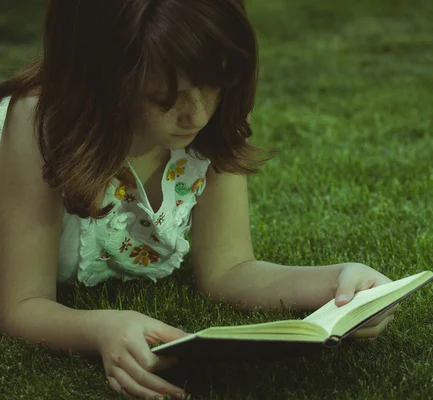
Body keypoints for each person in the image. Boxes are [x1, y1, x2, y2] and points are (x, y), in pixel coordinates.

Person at [0, 1, 399, 398]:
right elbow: (23, 305)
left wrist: (338, 282)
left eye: (212, 85)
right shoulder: (39, 125)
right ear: (100, 78)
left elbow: (230, 270)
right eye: (164, 96)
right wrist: (101, 329)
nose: (197, 115)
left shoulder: (208, 131)